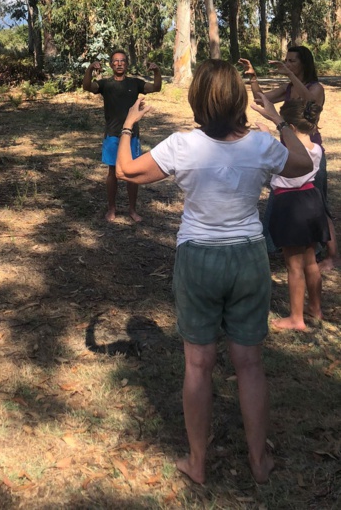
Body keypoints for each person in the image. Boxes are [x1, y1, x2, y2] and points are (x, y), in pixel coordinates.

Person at [116, 60, 312, 485]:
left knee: (198, 365)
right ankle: (260, 462)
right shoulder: (261, 145)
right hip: (247, 257)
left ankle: (198, 464)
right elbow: (302, 165)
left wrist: (128, 126)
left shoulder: (182, 146)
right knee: (250, 364)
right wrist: (277, 120)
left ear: (197, 99)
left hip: (199, 258)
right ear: (239, 99)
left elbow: (125, 171)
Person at [239, 46, 338, 268]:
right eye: (287, 60)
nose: (288, 63)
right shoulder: (288, 87)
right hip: (287, 150)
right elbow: (260, 98)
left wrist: (290, 75)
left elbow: (312, 103)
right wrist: (253, 76)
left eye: (292, 61)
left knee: (318, 202)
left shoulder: (316, 87)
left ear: (304, 63)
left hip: (311, 151)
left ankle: (331, 255)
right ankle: (283, 245)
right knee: (283, 195)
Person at [265, 100, 328, 330]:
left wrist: (267, 138)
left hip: (290, 205)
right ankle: (316, 308)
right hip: (312, 200)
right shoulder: (317, 148)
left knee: (294, 266)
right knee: (311, 261)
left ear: (289, 127)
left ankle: (296, 318)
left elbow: (275, 164)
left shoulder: (283, 151)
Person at [83, 50, 161, 222]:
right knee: (112, 171)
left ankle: (132, 210)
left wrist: (157, 72)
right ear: (111, 65)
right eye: (116, 61)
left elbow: (156, 87)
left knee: (132, 172)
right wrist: (89, 69)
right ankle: (112, 209)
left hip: (132, 135)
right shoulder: (105, 84)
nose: (119, 64)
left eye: (122, 61)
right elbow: (87, 87)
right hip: (112, 135)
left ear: (127, 64)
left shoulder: (135, 83)